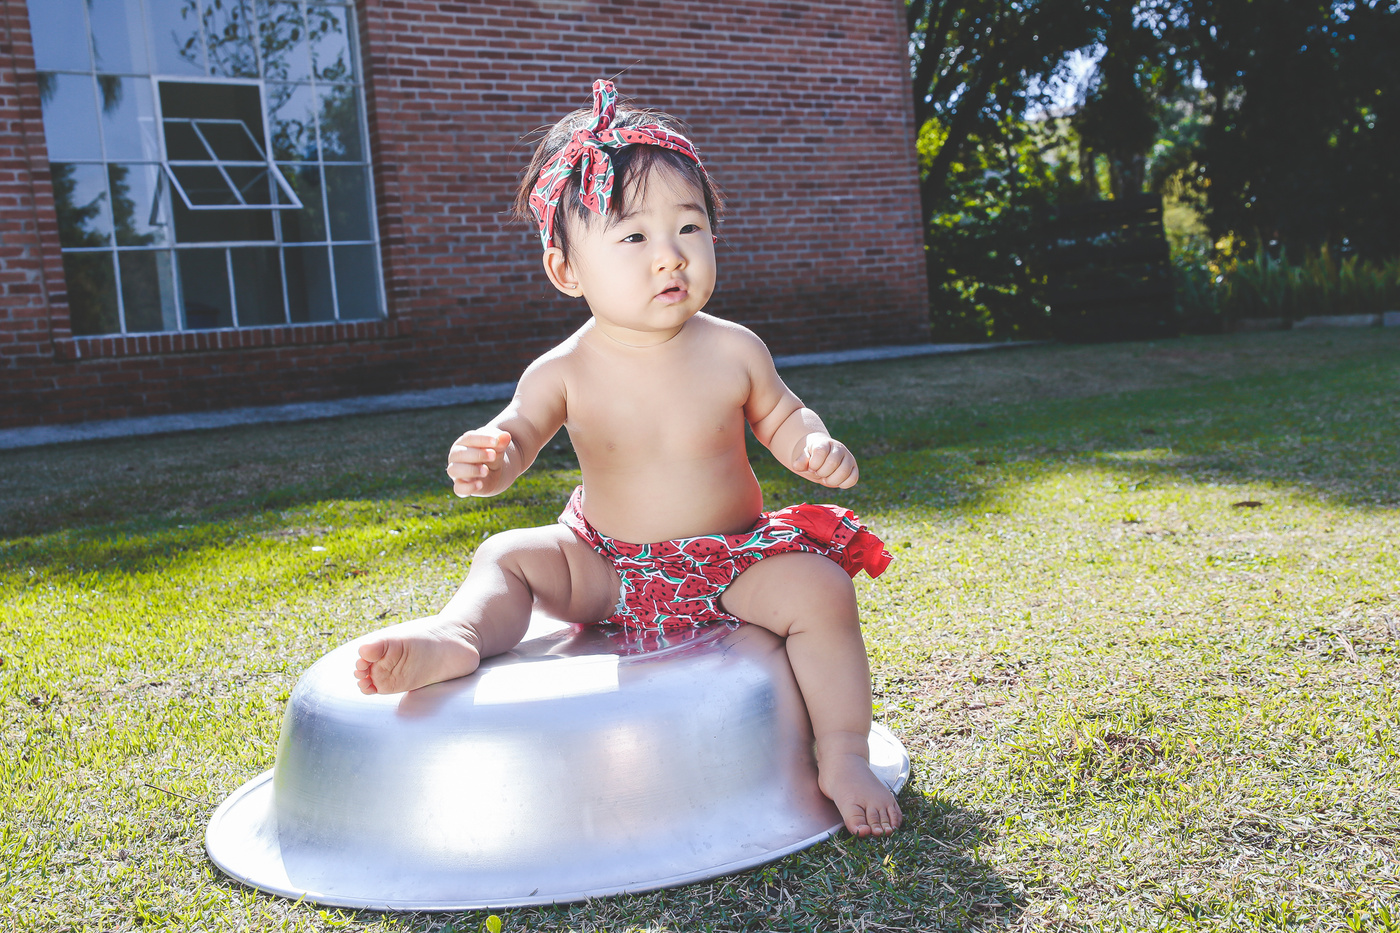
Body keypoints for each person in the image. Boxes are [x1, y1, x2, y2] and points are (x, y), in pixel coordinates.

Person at [354, 80, 902, 837]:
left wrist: (809, 444)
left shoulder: (734, 349)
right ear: (567, 271)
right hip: (605, 566)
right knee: (506, 554)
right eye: (634, 237)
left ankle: (841, 750)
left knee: (821, 591)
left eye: (690, 226)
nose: (670, 256)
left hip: (730, 563)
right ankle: (459, 637)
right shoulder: (563, 369)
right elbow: (519, 432)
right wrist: (491, 459)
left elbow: (781, 413)